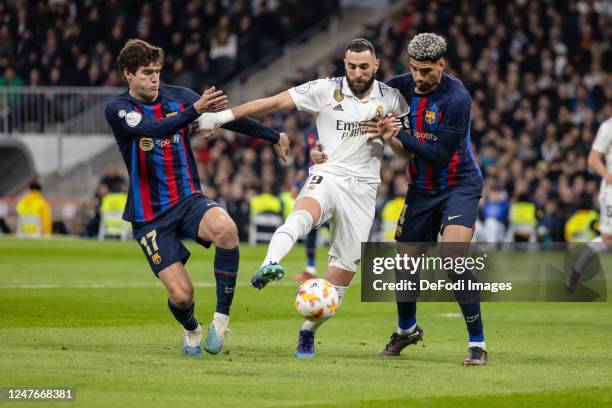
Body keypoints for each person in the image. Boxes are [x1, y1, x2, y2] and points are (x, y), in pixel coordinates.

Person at [198, 38, 409, 359]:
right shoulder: (325, 89)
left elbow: (404, 152)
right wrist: (223, 117)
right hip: (329, 176)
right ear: (344, 64)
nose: (357, 72)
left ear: (376, 66)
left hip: (364, 191)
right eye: (351, 66)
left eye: (364, 66)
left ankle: (307, 333)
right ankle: (269, 264)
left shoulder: (392, 99)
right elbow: (274, 102)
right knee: (302, 216)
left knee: (340, 281)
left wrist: (390, 137)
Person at [104, 39, 289, 357]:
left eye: (158, 71)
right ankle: (191, 329)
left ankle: (220, 321)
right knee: (181, 296)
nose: (154, 78)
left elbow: (227, 118)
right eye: (147, 72)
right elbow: (154, 130)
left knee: (227, 229)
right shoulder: (119, 109)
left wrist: (274, 136)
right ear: (127, 74)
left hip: (188, 199)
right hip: (150, 216)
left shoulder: (179, 97)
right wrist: (194, 111)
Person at [364, 33, 487, 365]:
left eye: (427, 71)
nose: (419, 78)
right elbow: (400, 146)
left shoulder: (456, 98)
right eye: (415, 69)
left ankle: (478, 344)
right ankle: (407, 330)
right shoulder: (399, 87)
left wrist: (397, 132)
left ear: (442, 65)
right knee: (404, 263)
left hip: (459, 184)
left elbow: (438, 155)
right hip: (421, 189)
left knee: (452, 257)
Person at [567, 116, 612, 292]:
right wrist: (608, 177)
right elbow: (593, 159)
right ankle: (576, 270)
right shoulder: (608, 127)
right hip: (611, 192)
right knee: (608, 239)